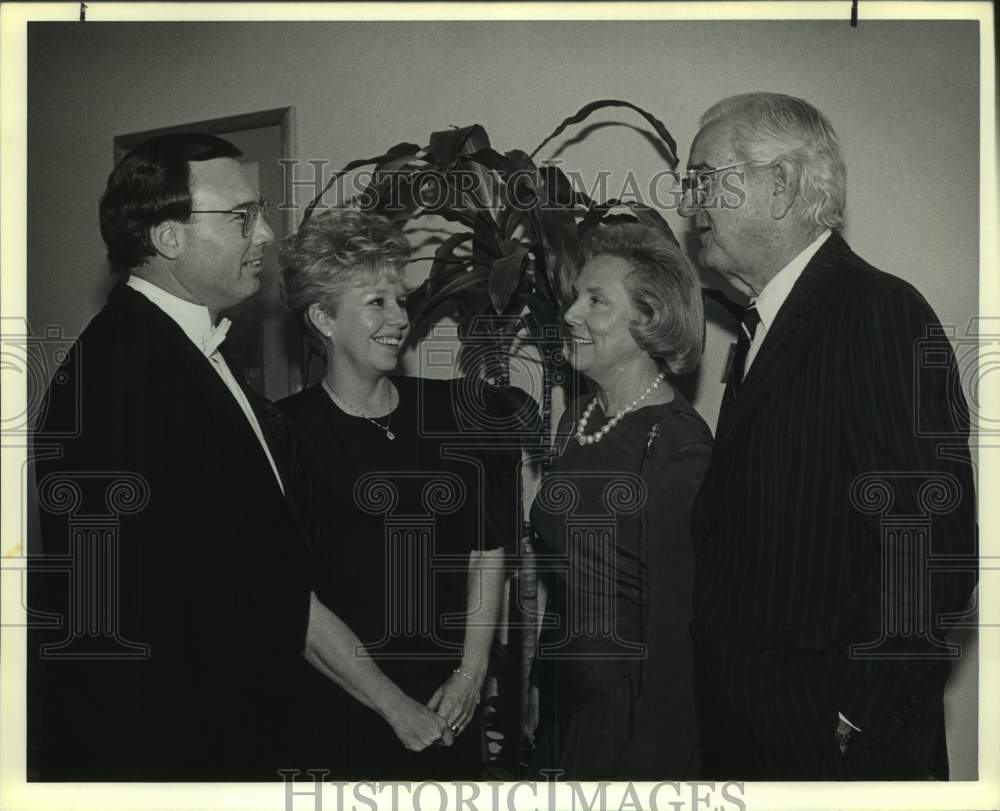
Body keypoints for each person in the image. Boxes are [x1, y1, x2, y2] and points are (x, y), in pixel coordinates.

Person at [28, 133, 450, 781]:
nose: (266, 234)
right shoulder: (122, 374)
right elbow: (120, 620)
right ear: (168, 237)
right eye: (240, 216)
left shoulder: (182, 354)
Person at [679, 93, 977, 780]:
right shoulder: (763, 328)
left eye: (703, 179)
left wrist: (858, 716)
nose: (690, 207)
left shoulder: (875, 312)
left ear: (779, 186)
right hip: (755, 740)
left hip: (833, 754)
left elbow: (931, 546)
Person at [277, 207, 516, 779]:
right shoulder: (285, 434)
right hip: (345, 711)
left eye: (400, 299)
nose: (399, 318)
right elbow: (295, 604)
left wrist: (470, 673)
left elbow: (487, 548)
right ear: (323, 318)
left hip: (448, 705)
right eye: (376, 302)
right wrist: (394, 708)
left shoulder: (450, 413)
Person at [528, 220, 712, 779]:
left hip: (629, 715)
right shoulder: (574, 421)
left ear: (647, 321)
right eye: (576, 295)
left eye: (596, 301)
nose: (569, 314)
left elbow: (682, 639)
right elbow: (562, 578)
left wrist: (650, 762)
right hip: (565, 701)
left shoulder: (679, 447)